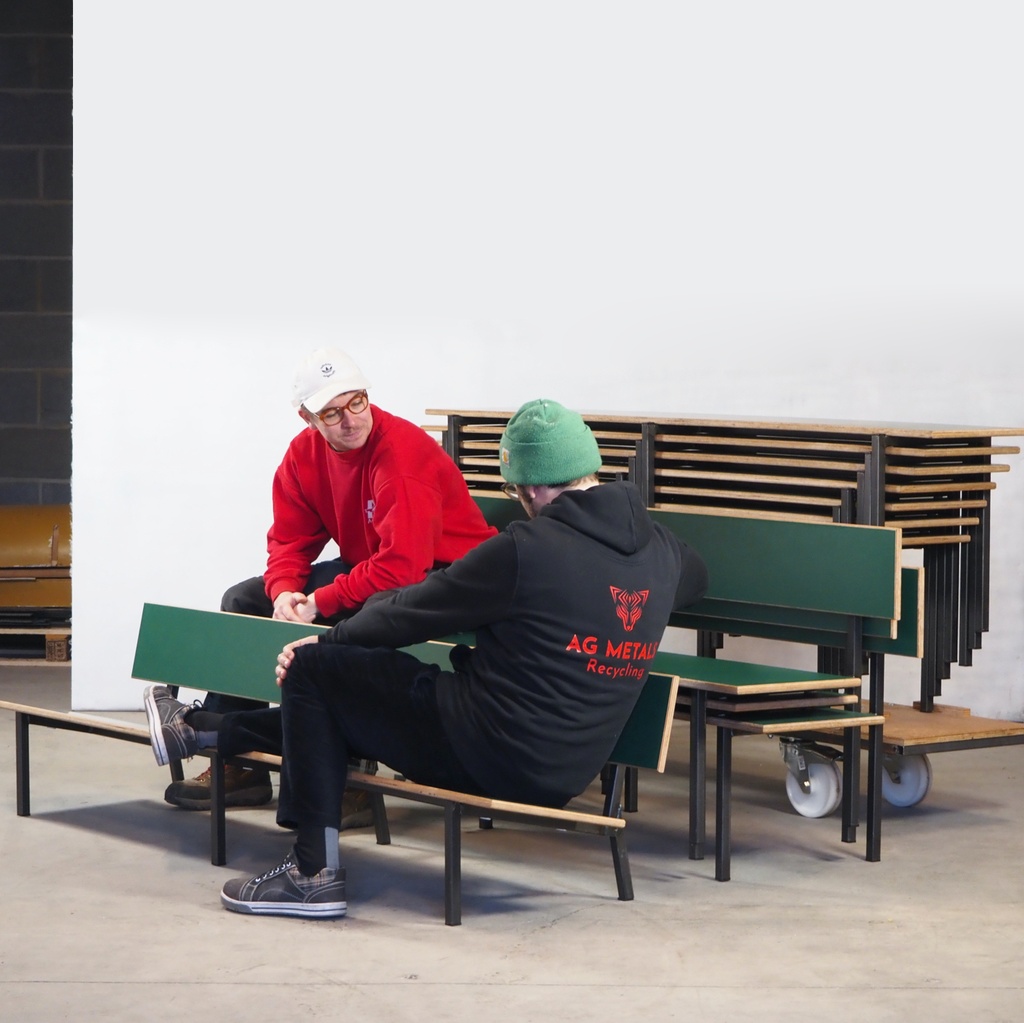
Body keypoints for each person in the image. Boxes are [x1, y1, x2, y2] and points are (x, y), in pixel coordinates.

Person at [144, 398, 709, 919]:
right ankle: (201, 730)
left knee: (316, 673)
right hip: (566, 768)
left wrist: (326, 641)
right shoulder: (664, 553)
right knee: (351, 703)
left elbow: (409, 612)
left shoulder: (523, 552)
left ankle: (311, 874)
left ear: (529, 488)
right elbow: (690, 582)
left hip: (488, 751)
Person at [160, 346, 497, 821]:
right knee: (243, 599)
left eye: (356, 402)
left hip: (447, 577)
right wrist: (283, 595)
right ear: (307, 417)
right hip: (379, 567)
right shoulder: (304, 455)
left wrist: (320, 601)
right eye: (332, 412)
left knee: (369, 614)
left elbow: (404, 566)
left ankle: (352, 781)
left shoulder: (401, 455)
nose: (349, 420)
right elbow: (290, 540)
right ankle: (239, 766)